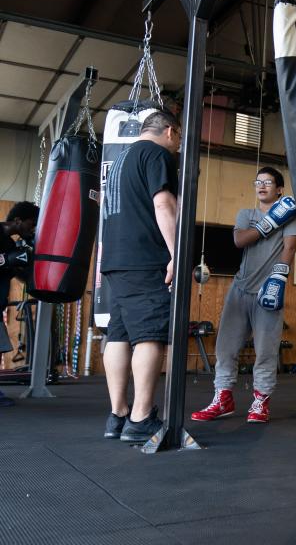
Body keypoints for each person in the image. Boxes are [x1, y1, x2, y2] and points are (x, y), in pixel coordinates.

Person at [191, 167, 296, 424]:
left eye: (268, 182)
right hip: (239, 290)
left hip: (268, 290)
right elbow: (240, 241)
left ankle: (261, 401)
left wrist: (279, 277)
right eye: (258, 182)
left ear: (280, 189)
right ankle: (223, 398)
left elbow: (290, 246)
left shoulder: (291, 216)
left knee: (266, 350)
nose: (261, 186)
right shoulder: (246, 214)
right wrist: (270, 222)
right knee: (226, 346)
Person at [100, 109, 180, 442]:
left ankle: (118, 415)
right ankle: (141, 417)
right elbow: (163, 205)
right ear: (171, 132)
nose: (177, 146)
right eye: (179, 140)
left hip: (115, 259)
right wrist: (177, 252)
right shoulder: (157, 154)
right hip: (145, 259)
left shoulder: (120, 160)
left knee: (118, 334)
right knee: (149, 335)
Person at [0, 202, 39, 407]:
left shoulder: (11, 245)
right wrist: (6, 260)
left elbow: (20, 274)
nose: (32, 229)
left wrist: (32, 259)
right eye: (31, 224)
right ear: (17, 221)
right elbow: (7, 261)